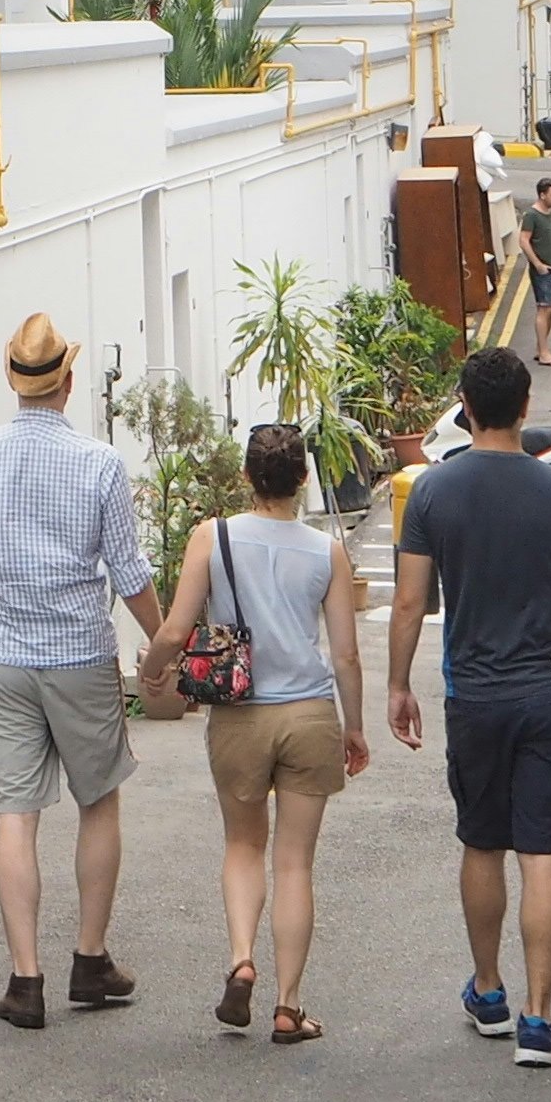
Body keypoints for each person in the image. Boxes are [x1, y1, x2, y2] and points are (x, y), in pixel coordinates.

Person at [390, 345, 551, 1071]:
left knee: (482, 842)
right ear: (526, 409)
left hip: (474, 694)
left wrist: (397, 685)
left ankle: (487, 991)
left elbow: (408, 602)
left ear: (464, 405)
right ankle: (539, 1018)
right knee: (543, 853)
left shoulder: (432, 493)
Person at [0, 313, 161, 1028]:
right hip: (79, 656)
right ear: (68, 382)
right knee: (98, 801)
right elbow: (128, 574)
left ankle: (25, 979)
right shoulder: (99, 464)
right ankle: (90, 960)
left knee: (14, 812)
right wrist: (165, 644)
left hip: (3, 658)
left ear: (14, 379)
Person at [145, 422, 369, 1043]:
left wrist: (150, 675)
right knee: (295, 864)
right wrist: (355, 729)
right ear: (302, 480)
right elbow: (346, 656)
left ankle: (241, 957)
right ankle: (288, 1006)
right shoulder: (327, 552)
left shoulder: (210, 539)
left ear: (247, 476)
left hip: (240, 714)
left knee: (243, 845)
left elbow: (173, 630)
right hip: (309, 713)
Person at [516, 176, 551, 363]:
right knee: (544, 308)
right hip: (543, 270)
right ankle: (545, 353)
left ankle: (542, 348)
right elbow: (524, 240)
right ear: (542, 195)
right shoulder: (531, 216)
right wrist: (537, 264)